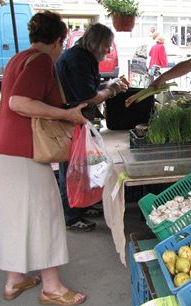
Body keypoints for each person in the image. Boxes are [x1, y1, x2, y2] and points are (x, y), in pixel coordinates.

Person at [0, 11, 87, 305]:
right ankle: (51, 287)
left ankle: (14, 280)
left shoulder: (20, 57)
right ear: (59, 41)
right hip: (23, 153)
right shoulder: (42, 61)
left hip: (0, 149)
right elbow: (19, 102)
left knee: (12, 215)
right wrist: (65, 114)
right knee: (46, 215)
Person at [56, 23, 128, 232]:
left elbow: (89, 88)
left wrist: (109, 85)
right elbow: (89, 97)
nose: (108, 50)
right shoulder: (78, 59)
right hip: (70, 120)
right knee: (72, 168)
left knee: (80, 167)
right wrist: (112, 90)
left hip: (76, 120)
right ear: (95, 42)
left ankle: (81, 206)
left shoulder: (80, 56)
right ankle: (71, 216)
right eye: (106, 45)